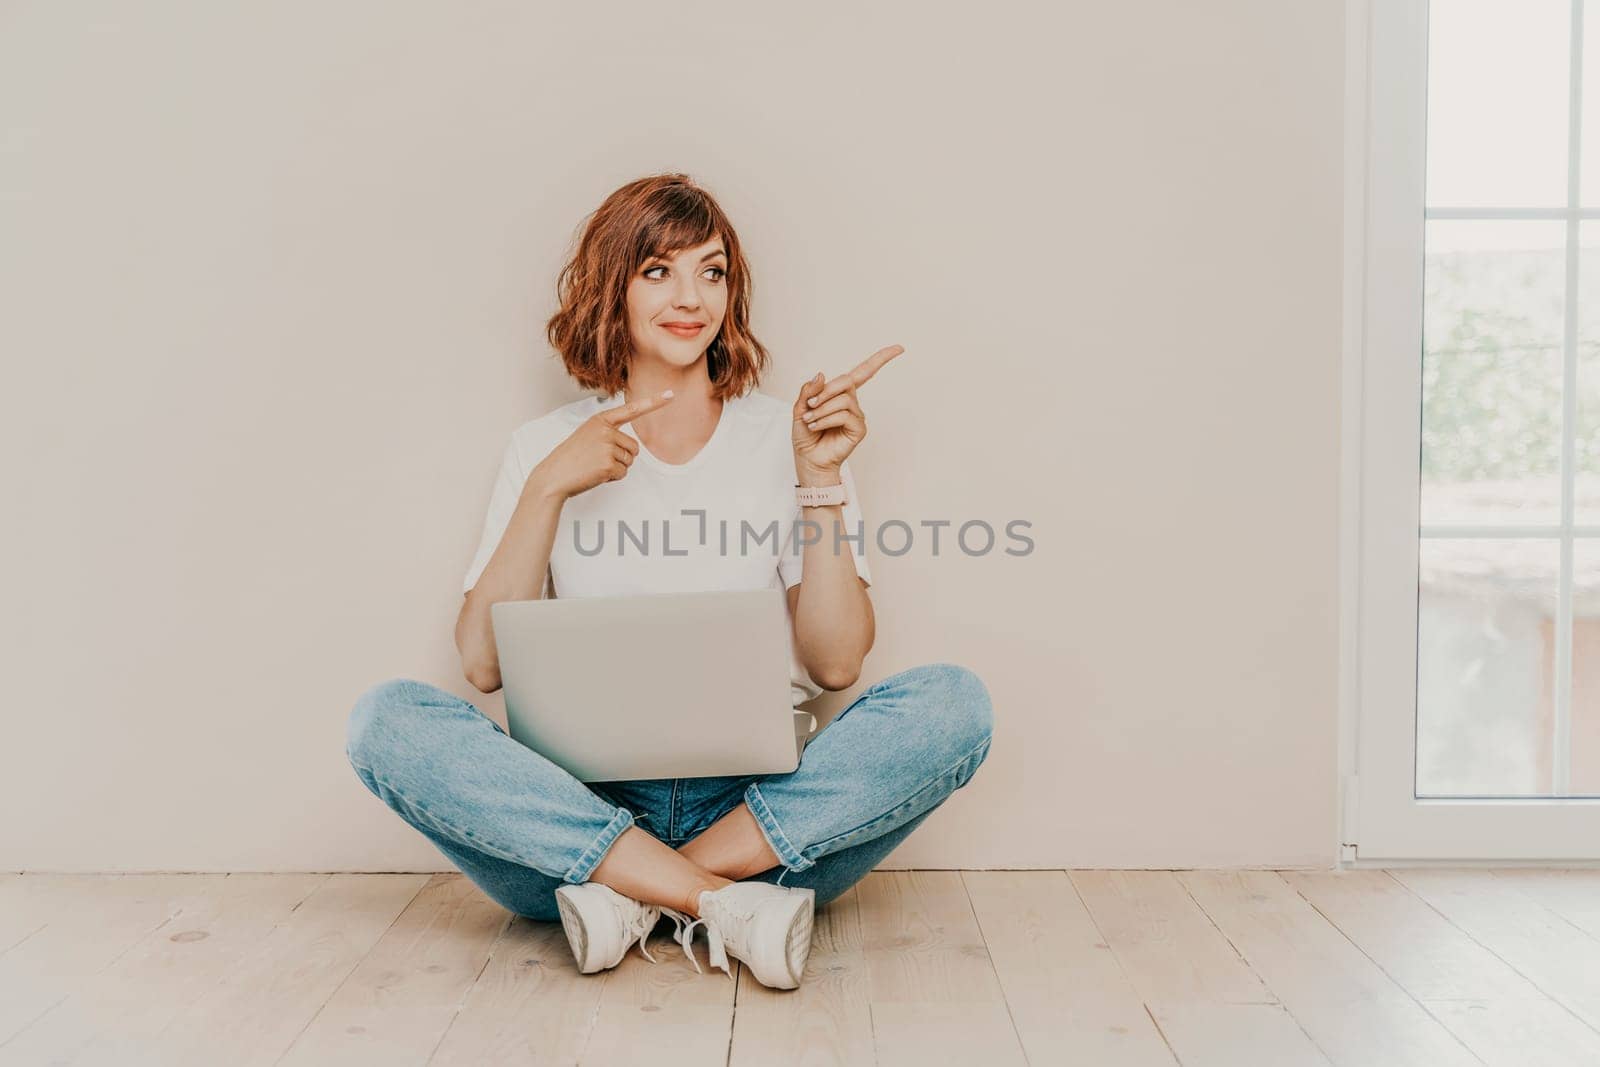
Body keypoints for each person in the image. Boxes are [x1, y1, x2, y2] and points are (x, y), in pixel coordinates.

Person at [345, 173, 994, 991]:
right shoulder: (545, 445)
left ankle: (637, 894)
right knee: (386, 721)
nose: (691, 296)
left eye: (711, 271)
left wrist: (818, 476)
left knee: (953, 703)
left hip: (758, 815)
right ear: (609, 289)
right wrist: (548, 486)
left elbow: (835, 664)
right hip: (580, 812)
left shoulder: (784, 436)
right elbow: (480, 665)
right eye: (658, 269)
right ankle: (718, 902)